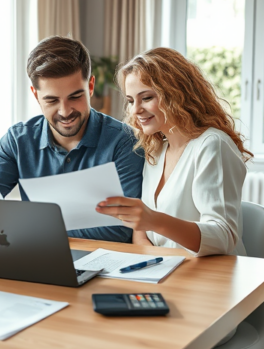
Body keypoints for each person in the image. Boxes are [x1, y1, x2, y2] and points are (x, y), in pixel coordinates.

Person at [0, 36, 145, 243]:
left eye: (75, 97)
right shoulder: (18, 141)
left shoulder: (125, 141)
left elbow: (121, 230)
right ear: (36, 95)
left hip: (106, 265)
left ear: (90, 87)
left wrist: (35, 226)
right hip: (36, 260)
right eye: (52, 100)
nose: (65, 111)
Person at [96, 47, 253, 256]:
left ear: (176, 94)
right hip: (166, 271)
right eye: (131, 100)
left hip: (214, 276)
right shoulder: (156, 150)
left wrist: (154, 220)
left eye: (147, 97)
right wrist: (152, 263)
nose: (135, 110)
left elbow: (223, 237)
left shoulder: (212, 145)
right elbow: (141, 232)